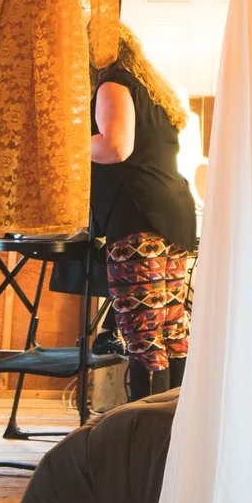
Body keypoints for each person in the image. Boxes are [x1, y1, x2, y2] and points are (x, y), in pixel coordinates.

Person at [86, 27, 200, 405]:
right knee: (171, 331)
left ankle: (144, 432)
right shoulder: (148, 89)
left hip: (139, 219)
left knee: (144, 336)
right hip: (171, 215)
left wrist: (64, 141)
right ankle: (173, 429)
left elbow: (115, 147)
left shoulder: (113, 85)